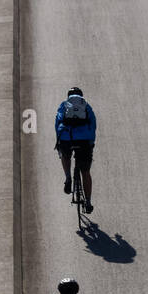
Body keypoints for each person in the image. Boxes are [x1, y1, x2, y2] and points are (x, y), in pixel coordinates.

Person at [55, 86, 97, 214]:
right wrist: (91, 142)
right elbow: (93, 124)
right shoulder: (86, 106)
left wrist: (59, 141)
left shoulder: (64, 105)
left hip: (67, 138)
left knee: (65, 155)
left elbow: (58, 123)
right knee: (85, 172)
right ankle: (88, 202)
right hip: (84, 140)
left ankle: (68, 178)